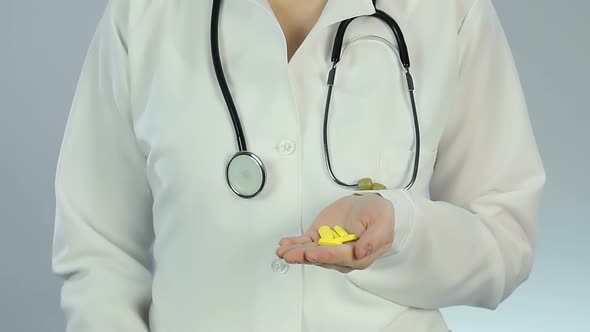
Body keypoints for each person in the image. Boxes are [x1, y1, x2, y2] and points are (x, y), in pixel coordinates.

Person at [51, 0, 546, 331]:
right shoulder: (145, 14)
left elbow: (506, 240)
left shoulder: (447, 11)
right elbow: (97, 248)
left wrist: (403, 232)